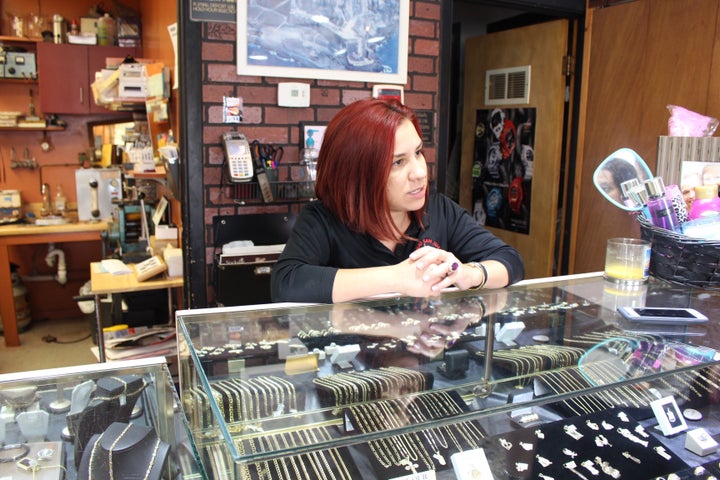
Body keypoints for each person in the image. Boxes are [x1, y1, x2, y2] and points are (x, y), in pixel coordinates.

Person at [271, 98, 525, 304]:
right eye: (398, 162)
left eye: (418, 153)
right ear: (356, 174)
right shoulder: (324, 219)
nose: (420, 173)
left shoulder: (439, 210)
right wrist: (397, 278)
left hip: (425, 356)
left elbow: (510, 260)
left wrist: (469, 274)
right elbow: (287, 282)